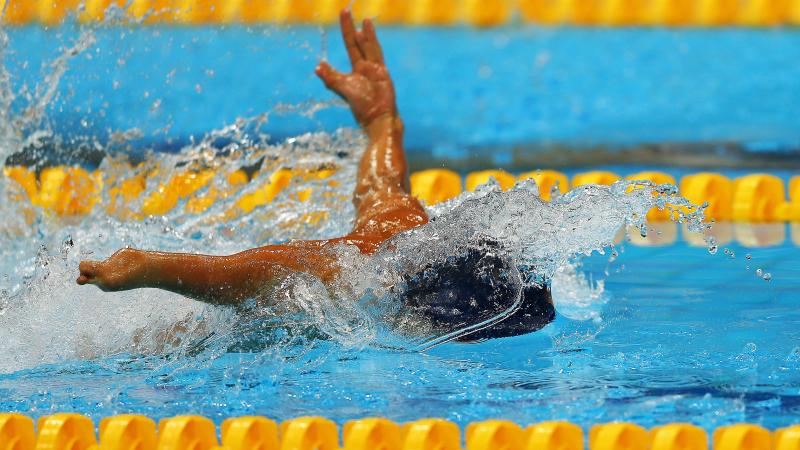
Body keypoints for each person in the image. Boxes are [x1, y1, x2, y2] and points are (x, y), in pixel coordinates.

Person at [77, 11, 554, 340]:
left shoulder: (408, 228)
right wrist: (150, 268)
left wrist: (383, 124)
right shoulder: (363, 275)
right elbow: (245, 273)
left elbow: (383, 186)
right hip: (218, 326)